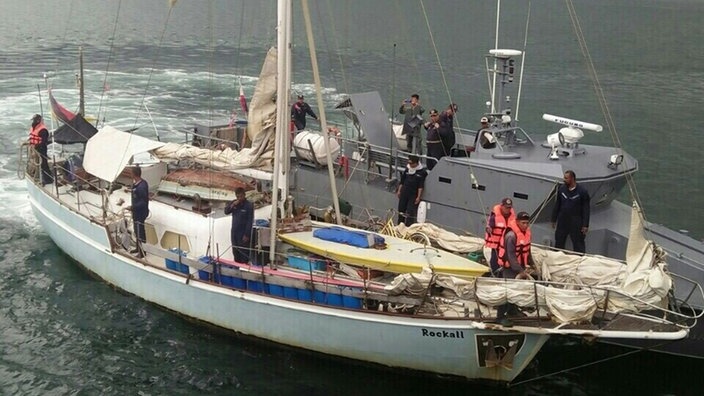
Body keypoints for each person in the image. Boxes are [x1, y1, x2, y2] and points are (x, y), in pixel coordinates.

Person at [496, 211, 533, 326]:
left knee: (516, 291)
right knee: (507, 292)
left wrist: (531, 263)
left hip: (520, 267)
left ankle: (512, 310)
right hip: (510, 268)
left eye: (527, 223)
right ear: (517, 222)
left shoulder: (526, 233)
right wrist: (520, 271)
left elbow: (528, 250)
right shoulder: (511, 236)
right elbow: (511, 256)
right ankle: (500, 316)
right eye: (523, 223)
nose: (525, 225)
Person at [551, 170, 590, 253]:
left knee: (578, 243)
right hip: (563, 221)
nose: (564, 180)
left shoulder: (582, 192)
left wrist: (585, 225)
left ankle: (579, 260)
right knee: (559, 241)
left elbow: (586, 209)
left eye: (566, 178)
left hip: (576, 222)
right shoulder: (562, 189)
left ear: (572, 178)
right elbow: (557, 204)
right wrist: (553, 219)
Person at [484, 197, 516, 276]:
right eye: (506, 207)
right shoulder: (494, 216)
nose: (508, 209)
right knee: (495, 260)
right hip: (496, 244)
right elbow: (489, 225)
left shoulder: (512, 217)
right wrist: (489, 229)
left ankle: (504, 274)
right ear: (501, 206)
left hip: (506, 244)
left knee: (506, 261)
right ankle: (494, 274)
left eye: (509, 208)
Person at [225, 187, 254, 263]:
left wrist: (247, 234)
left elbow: (250, 221)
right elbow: (226, 211)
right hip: (234, 232)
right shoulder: (234, 204)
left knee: (244, 253)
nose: (240, 198)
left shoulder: (249, 206)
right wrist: (232, 205)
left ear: (244, 195)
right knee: (235, 251)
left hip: (243, 233)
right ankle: (236, 266)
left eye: (241, 196)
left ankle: (244, 266)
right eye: (238, 197)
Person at [396, 155, 427, 226]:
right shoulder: (407, 169)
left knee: (410, 212)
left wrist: (418, 197)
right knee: (401, 209)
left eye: (411, 163)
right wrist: (399, 191)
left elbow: (420, 186)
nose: (410, 165)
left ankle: (408, 226)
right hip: (404, 191)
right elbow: (402, 181)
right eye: (409, 163)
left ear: (416, 163)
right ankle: (400, 225)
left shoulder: (422, 172)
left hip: (413, 194)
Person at [129, 166, 149, 258]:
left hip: (140, 213)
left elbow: (143, 202)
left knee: (139, 231)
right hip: (136, 212)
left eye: (131, 173)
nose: (130, 174)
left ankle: (142, 252)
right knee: (137, 230)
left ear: (134, 174)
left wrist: (132, 207)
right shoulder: (138, 184)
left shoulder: (141, 187)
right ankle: (138, 248)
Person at [28, 114, 53, 185]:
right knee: (36, 163)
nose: (33, 122)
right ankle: (40, 176)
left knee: (43, 164)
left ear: (38, 120)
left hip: (41, 149)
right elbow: (32, 136)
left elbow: (44, 141)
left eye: (34, 120)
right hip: (35, 148)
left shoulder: (43, 130)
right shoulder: (34, 127)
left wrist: (37, 146)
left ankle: (48, 180)